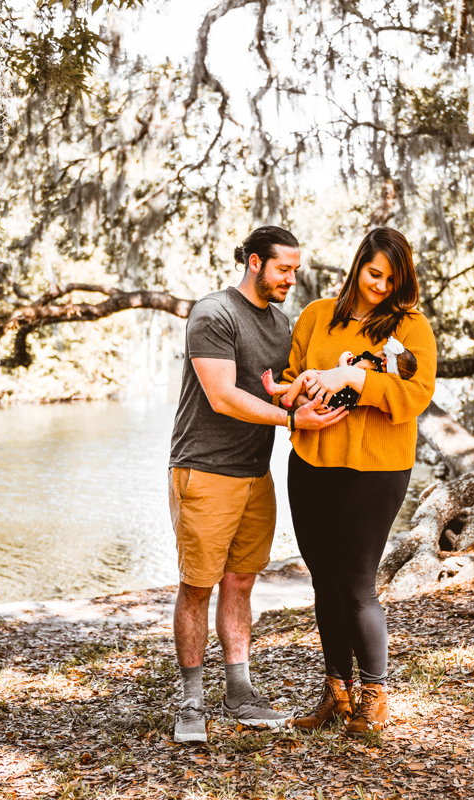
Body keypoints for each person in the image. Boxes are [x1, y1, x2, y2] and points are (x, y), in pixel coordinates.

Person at [168, 226, 347, 744]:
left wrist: (325, 383)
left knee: (242, 582)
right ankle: (191, 699)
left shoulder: (280, 323)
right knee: (198, 585)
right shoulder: (213, 314)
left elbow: (277, 391)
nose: (293, 278)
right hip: (203, 470)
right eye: (283, 269)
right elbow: (223, 396)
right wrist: (292, 423)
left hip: (254, 473)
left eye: (295, 269)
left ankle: (239, 691)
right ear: (253, 263)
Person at [282, 227, 436, 734]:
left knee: (357, 585)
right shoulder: (316, 316)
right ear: (357, 267)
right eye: (374, 274)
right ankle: (337, 693)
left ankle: (375, 695)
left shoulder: (412, 329)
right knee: (324, 582)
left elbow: (416, 396)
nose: (381, 286)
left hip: (375, 470)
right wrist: (301, 393)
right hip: (311, 464)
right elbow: (288, 381)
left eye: (392, 278)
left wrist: (353, 379)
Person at [260, 336, 419, 409]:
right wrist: (340, 365)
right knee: (306, 382)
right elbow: (338, 373)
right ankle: (277, 389)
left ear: (385, 360)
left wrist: (343, 358)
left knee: (307, 375)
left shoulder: (372, 364)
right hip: (338, 399)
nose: (378, 351)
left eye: (382, 351)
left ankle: (287, 398)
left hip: (334, 395)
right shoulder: (379, 375)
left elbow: (344, 374)